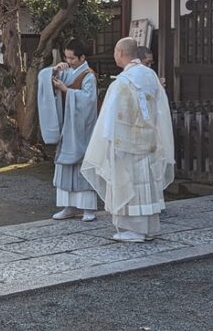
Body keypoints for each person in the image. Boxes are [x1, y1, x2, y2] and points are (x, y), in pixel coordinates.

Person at [81, 37, 175, 242]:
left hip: (127, 143)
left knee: (129, 183)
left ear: (121, 52)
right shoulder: (150, 76)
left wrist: (107, 143)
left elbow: (109, 118)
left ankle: (133, 229)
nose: (114, 55)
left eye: (115, 51)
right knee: (145, 185)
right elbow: (161, 109)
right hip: (148, 139)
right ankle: (148, 227)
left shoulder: (122, 82)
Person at [36, 39, 99, 222]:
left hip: (82, 128)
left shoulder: (88, 75)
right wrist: (55, 69)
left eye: (72, 58)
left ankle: (88, 208)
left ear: (82, 58)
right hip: (67, 125)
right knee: (64, 165)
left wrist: (67, 91)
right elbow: (45, 78)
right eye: (67, 57)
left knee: (83, 164)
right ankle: (68, 206)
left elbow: (89, 101)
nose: (69, 61)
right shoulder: (68, 71)